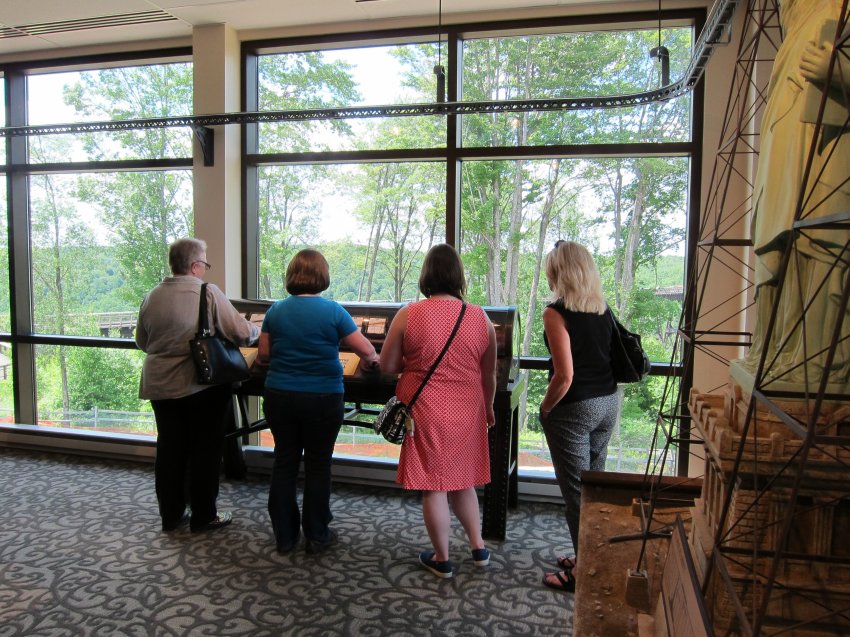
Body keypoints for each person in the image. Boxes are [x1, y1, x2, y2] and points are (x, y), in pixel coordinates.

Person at [741, 0, 850, 386]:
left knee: (819, 248)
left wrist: (838, 71)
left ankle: (812, 359)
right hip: (787, 156)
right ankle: (778, 351)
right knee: (780, 251)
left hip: (827, 154)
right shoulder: (799, 16)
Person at [380, 244, 497, 579]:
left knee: (434, 484)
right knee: (463, 480)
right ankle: (478, 548)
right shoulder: (480, 317)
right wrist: (487, 408)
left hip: (426, 409)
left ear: (426, 275)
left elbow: (388, 366)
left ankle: (442, 558)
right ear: (458, 277)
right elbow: (487, 372)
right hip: (468, 409)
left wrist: (414, 363)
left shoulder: (409, 314)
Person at [258, 249, 379, 555]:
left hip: (280, 395)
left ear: (291, 275)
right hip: (323, 397)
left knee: (284, 461)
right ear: (322, 276)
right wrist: (371, 361)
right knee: (318, 465)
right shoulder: (333, 311)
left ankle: (285, 537)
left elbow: (263, 355)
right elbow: (366, 351)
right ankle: (317, 535)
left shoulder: (275, 312)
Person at [136, 237, 259, 533]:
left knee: (169, 450)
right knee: (205, 450)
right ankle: (204, 515)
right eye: (204, 262)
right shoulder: (207, 292)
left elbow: (142, 341)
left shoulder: (152, 295)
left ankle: (171, 514)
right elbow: (241, 332)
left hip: (159, 385)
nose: (205, 268)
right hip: (200, 385)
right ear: (194, 265)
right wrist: (260, 330)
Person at [538, 240, 620, 592]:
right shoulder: (602, 309)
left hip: (576, 408)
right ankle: (590, 554)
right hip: (609, 402)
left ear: (559, 273)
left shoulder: (555, 313)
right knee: (594, 486)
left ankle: (581, 573)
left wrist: (545, 408)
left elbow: (565, 375)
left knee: (576, 495)